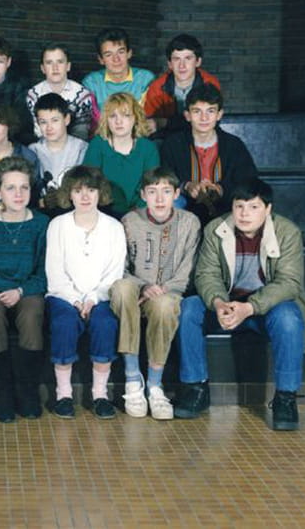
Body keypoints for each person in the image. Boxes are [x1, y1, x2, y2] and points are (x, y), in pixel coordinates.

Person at [174, 178, 305, 431]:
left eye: (253, 207)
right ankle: (195, 388)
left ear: (268, 209)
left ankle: (286, 398)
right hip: (227, 305)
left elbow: (289, 283)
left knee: (289, 317)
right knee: (190, 308)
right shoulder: (216, 229)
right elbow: (206, 274)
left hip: (264, 309)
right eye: (239, 206)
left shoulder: (287, 232)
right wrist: (218, 303)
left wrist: (250, 307)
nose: (244, 214)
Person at [109, 167, 201, 420]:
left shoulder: (189, 223)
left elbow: (188, 271)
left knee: (163, 305)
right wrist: (142, 286)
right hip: (135, 291)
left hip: (168, 293)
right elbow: (119, 267)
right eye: (152, 192)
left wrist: (163, 289)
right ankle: (132, 380)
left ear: (177, 194)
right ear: (143, 195)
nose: (159, 199)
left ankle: (154, 385)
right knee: (122, 288)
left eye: (166, 192)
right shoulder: (129, 221)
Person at [0, 157, 48, 423]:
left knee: (32, 312)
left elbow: (44, 272)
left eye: (24, 187)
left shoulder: (41, 224)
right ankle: (2, 392)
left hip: (27, 289)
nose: (18, 194)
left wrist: (21, 290)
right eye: (11, 188)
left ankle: (27, 391)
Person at [46, 166, 125, 420]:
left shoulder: (114, 227)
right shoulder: (58, 225)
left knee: (105, 324)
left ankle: (100, 395)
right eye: (78, 190)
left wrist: (92, 298)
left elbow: (114, 273)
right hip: (64, 295)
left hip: (101, 296)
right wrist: (75, 300)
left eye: (91, 190)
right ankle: (64, 395)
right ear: (69, 194)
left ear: (100, 193)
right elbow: (55, 272)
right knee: (64, 323)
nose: (85, 196)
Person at [160, 83, 258, 225]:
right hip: (185, 208)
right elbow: (164, 177)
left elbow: (249, 180)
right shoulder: (173, 144)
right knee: (171, 202)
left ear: (219, 114)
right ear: (187, 115)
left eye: (210, 111)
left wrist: (221, 189)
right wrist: (186, 186)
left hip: (225, 207)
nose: (204, 118)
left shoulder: (234, 145)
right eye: (197, 111)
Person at [82, 92, 159, 217]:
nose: (118, 121)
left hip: (141, 212)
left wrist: (136, 213)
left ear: (135, 118)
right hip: (103, 212)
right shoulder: (97, 144)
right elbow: (90, 183)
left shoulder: (148, 147)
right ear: (106, 120)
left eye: (126, 115)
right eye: (113, 116)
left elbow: (152, 185)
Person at [144, 34, 221, 137]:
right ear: (170, 64)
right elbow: (151, 125)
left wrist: (166, 122)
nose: (182, 66)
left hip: (202, 135)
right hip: (168, 137)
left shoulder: (210, 83)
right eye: (176, 59)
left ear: (198, 62)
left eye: (188, 58)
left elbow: (209, 122)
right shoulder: (157, 88)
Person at [29, 93, 89, 214]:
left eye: (55, 120)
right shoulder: (32, 151)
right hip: (43, 212)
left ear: (67, 119)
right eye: (43, 122)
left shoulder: (82, 148)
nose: (49, 127)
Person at [26, 43, 98, 141]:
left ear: (68, 66)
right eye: (49, 62)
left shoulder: (82, 95)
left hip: (74, 146)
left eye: (60, 62)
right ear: (42, 68)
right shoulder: (33, 95)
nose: (55, 67)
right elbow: (37, 131)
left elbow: (82, 133)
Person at [82, 28, 154, 110]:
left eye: (121, 52)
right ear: (101, 59)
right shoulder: (92, 82)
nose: (116, 59)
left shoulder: (145, 79)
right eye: (108, 55)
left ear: (129, 53)